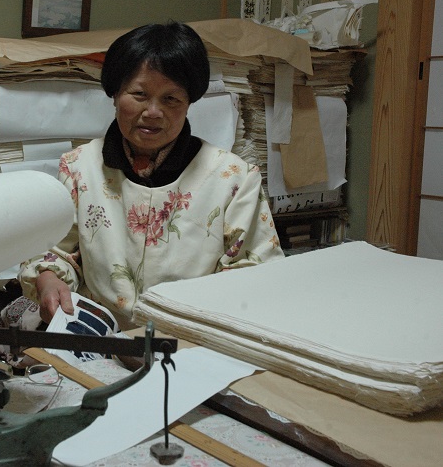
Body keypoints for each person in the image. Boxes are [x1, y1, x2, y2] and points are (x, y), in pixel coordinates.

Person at [18, 21, 284, 330]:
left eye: (171, 99)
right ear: (115, 94)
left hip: (192, 340)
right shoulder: (79, 167)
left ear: (189, 102)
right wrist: (48, 279)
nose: (153, 112)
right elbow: (52, 252)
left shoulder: (233, 178)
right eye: (140, 94)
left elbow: (255, 272)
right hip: (98, 336)